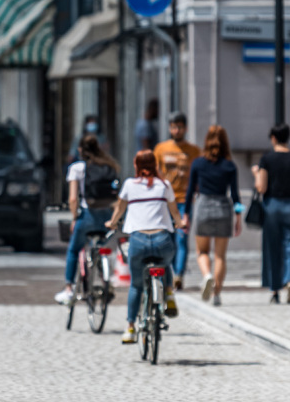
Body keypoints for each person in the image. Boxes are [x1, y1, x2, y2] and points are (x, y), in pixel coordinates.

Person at [107, 150, 182, 343]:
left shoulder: (129, 185)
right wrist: (179, 223)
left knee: (136, 285)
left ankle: (130, 328)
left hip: (138, 241)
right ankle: (169, 293)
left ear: (136, 166)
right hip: (161, 239)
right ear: (155, 165)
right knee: (165, 263)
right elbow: (174, 211)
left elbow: (120, 208)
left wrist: (112, 223)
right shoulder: (164, 185)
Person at [54, 134, 120, 306]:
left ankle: (69, 289)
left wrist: (75, 217)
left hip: (88, 215)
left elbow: (73, 199)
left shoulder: (77, 168)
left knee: (74, 249)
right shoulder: (108, 165)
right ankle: (106, 280)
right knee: (100, 249)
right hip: (106, 216)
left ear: (80, 150)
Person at [186, 125, 242, 307]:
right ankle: (217, 294)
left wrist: (186, 214)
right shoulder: (230, 166)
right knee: (220, 256)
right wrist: (238, 217)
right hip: (223, 209)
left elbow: (189, 192)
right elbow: (235, 195)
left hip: (203, 206)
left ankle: (207, 276)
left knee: (202, 251)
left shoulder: (198, 163)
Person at [254, 123, 290, 304]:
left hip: (272, 205)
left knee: (273, 247)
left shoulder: (267, 159)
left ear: (273, 138)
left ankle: (275, 290)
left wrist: (256, 173)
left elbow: (261, 187)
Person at [154, 111, 200, 291]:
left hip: (184, 201)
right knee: (168, 239)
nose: (177, 130)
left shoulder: (194, 151)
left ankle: (179, 274)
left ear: (185, 128)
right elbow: (156, 171)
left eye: (180, 126)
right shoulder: (161, 149)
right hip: (166, 200)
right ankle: (170, 273)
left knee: (182, 239)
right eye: (173, 127)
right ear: (169, 128)